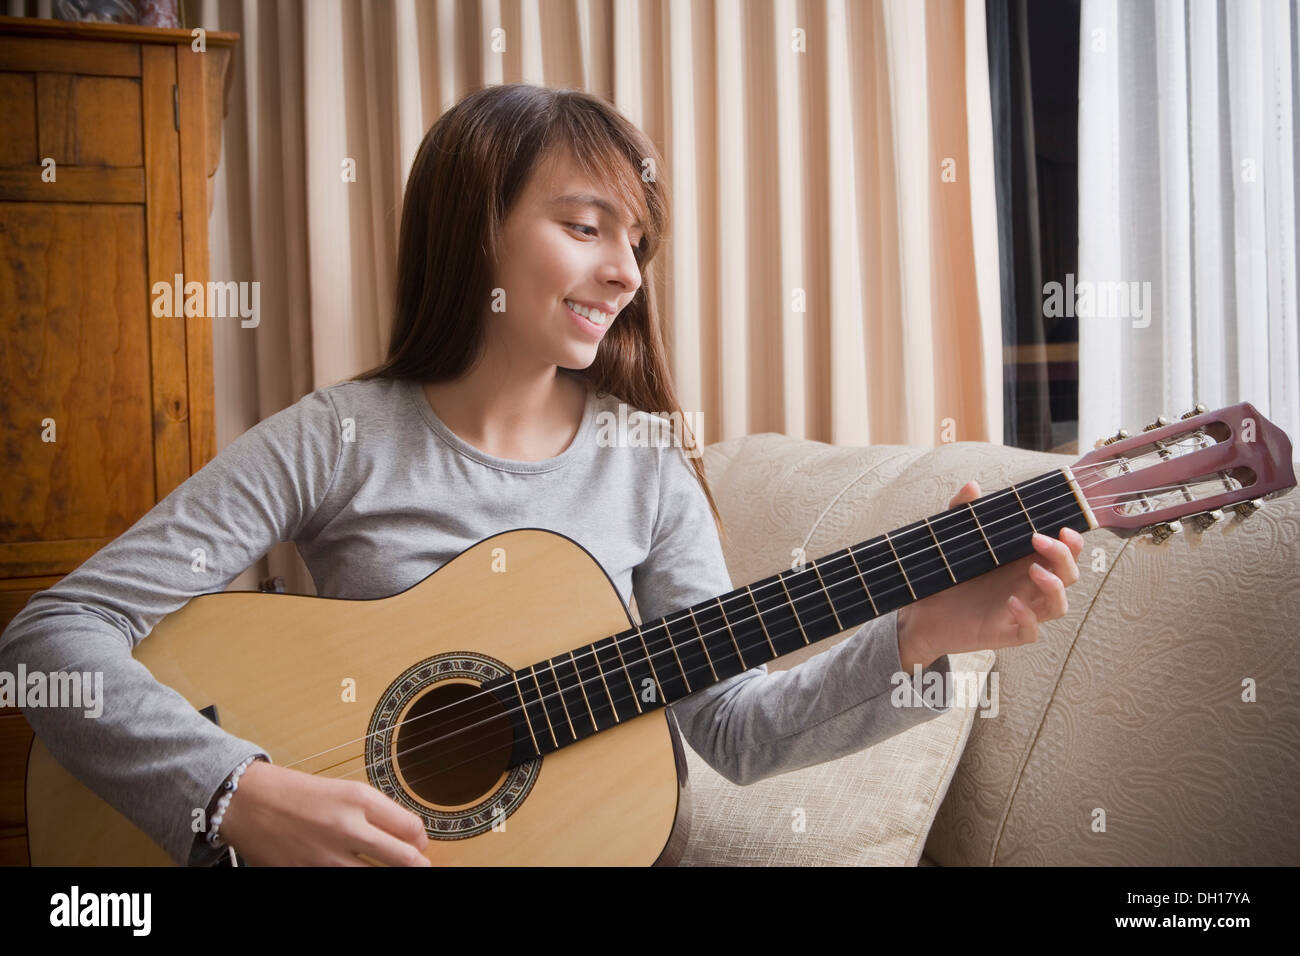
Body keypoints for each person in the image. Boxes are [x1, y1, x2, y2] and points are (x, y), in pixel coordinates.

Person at [0, 84, 1082, 867]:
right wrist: (234, 793)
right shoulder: (336, 436)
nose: (624, 271)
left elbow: (735, 731)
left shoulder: (645, 467)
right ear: (477, 229)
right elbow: (48, 639)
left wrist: (924, 632)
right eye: (585, 226)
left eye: (639, 244)